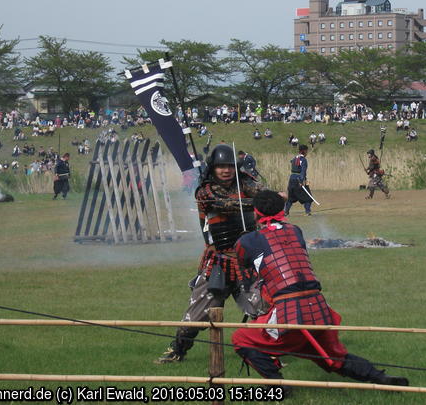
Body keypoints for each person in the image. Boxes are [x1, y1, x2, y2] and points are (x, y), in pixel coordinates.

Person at [231, 191, 409, 390]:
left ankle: (278, 385)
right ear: (281, 210)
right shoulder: (295, 231)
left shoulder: (246, 242)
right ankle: (380, 378)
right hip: (317, 306)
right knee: (333, 357)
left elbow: (246, 270)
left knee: (241, 339)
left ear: (255, 213)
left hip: (288, 311)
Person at [156, 144, 266, 363]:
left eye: (229, 166)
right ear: (213, 168)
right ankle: (177, 349)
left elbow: (262, 195)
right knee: (198, 312)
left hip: (247, 260)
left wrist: (272, 198)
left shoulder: (246, 183)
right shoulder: (205, 191)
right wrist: (256, 203)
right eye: (220, 167)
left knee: (263, 306)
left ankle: (267, 353)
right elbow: (224, 204)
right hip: (220, 260)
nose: (225, 171)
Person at [284, 145, 313, 216]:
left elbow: (291, 162)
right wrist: (301, 180)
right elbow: (303, 171)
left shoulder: (294, 158)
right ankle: (307, 212)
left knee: (291, 197)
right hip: (299, 179)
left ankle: (286, 212)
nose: (307, 152)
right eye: (307, 151)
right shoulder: (303, 160)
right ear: (305, 151)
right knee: (308, 197)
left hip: (292, 179)